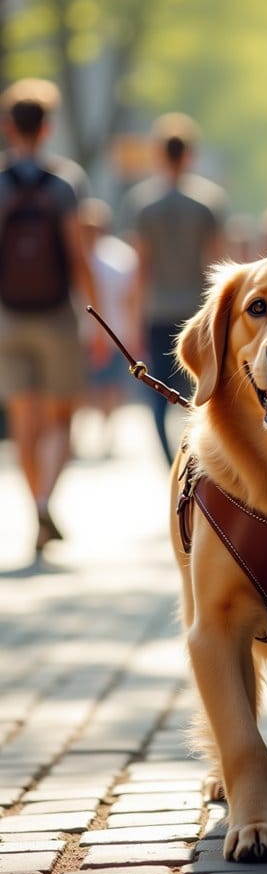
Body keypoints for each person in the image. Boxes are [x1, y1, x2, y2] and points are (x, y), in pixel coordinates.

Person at [0, 77, 103, 553]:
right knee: (62, 415)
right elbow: (78, 255)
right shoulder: (65, 182)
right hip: (57, 313)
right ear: (47, 129)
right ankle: (45, 500)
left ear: (7, 127)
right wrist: (97, 314)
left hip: (9, 317)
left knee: (24, 415)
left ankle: (33, 507)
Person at [121, 112, 227, 465]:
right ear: (189, 155)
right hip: (196, 309)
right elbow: (216, 264)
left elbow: (141, 268)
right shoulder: (208, 202)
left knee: (157, 391)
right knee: (199, 387)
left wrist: (133, 320)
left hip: (157, 309)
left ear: (159, 155)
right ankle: (196, 453)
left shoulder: (143, 204)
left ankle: (172, 461)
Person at [78, 198, 140, 454]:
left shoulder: (119, 256)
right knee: (83, 387)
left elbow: (131, 296)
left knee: (111, 387)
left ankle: (108, 433)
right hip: (82, 333)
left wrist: (133, 331)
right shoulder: (77, 255)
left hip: (115, 332)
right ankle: (80, 434)